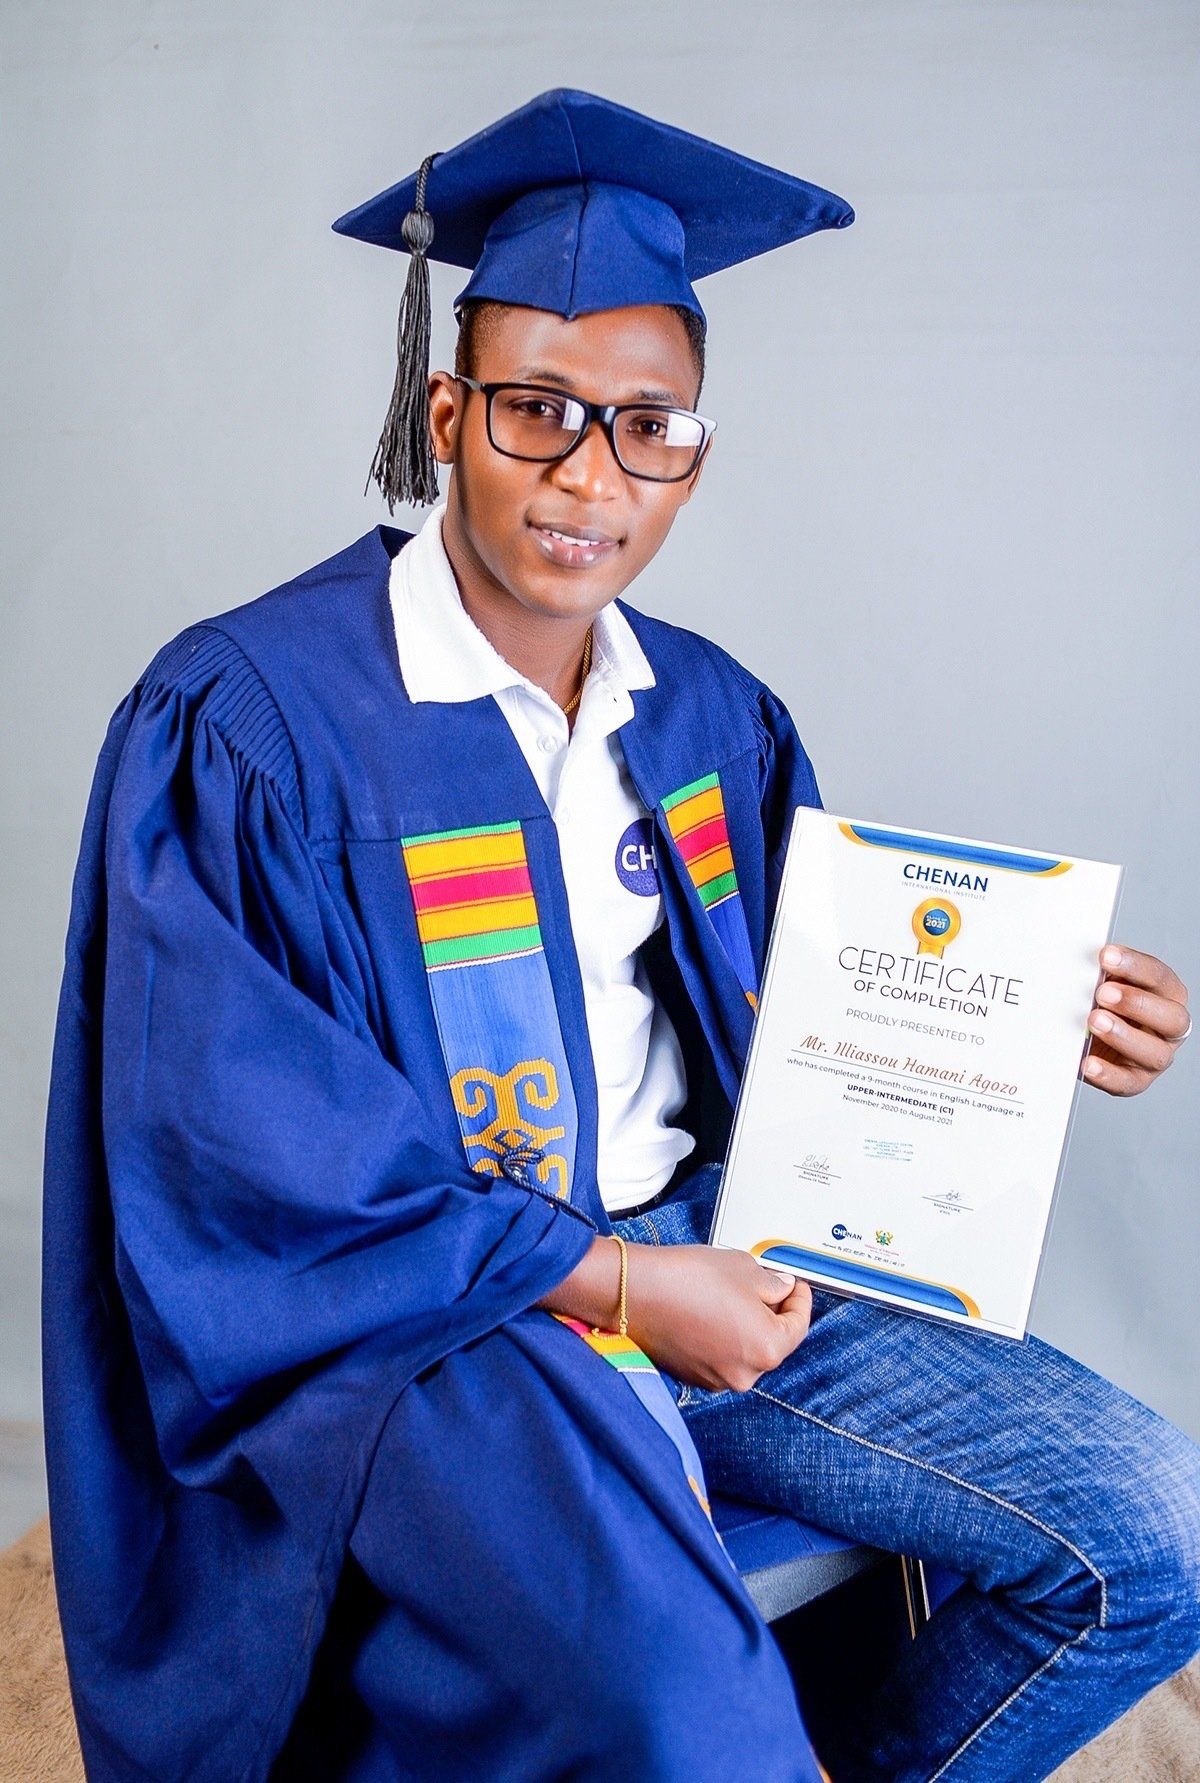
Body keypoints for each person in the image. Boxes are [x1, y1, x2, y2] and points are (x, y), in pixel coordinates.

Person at [41, 89, 1197, 1783]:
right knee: (684, 1713)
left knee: (1147, 1536)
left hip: (733, 1261)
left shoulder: (712, 717)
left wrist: (1041, 1027)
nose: (594, 476)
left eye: (652, 426)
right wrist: (619, 1286)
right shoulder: (253, 722)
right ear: (446, 414)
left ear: (698, 450)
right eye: (539, 413)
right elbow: (237, 1158)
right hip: (451, 1319)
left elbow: (821, 1021)